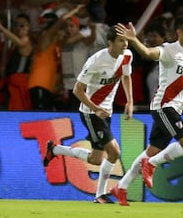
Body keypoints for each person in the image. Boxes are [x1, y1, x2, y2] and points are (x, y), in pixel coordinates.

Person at [110, 13, 183, 206]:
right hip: (163, 106)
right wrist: (133, 39)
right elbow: (146, 53)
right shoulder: (169, 49)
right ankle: (151, 165)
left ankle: (121, 187)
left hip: (174, 110)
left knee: (151, 151)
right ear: (179, 31)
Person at [42, 26, 134, 204]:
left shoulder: (127, 56)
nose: (125, 44)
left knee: (96, 159)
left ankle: (55, 149)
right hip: (91, 112)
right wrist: (95, 108)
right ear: (110, 43)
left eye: (126, 40)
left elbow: (126, 76)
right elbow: (77, 89)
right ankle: (100, 195)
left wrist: (130, 101)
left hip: (106, 112)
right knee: (114, 151)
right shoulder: (97, 61)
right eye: (121, 40)